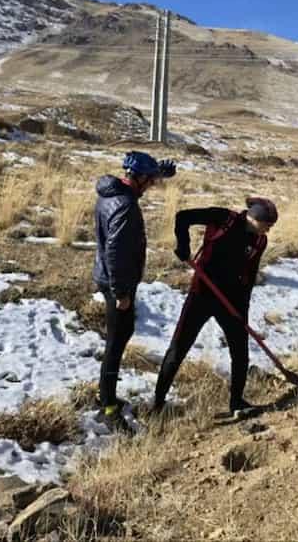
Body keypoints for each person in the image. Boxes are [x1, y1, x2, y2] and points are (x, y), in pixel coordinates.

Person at [153, 197, 278, 419]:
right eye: (268, 223)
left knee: (240, 351)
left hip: (231, 300)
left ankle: (237, 402)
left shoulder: (260, 241)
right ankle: (158, 404)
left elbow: (248, 276)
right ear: (255, 217)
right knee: (179, 346)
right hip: (202, 293)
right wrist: (183, 245)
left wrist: (242, 312)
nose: (269, 229)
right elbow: (183, 217)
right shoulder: (224, 218)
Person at [92, 151, 176, 433]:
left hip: (107, 277)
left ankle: (107, 397)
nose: (152, 185)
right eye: (149, 180)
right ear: (138, 178)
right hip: (117, 282)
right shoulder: (125, 206)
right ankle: (108, 407)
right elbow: (115, 252)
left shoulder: (111, 192)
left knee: (119, 337)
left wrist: (158, 172)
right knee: (116, 342)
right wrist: (121, 292)